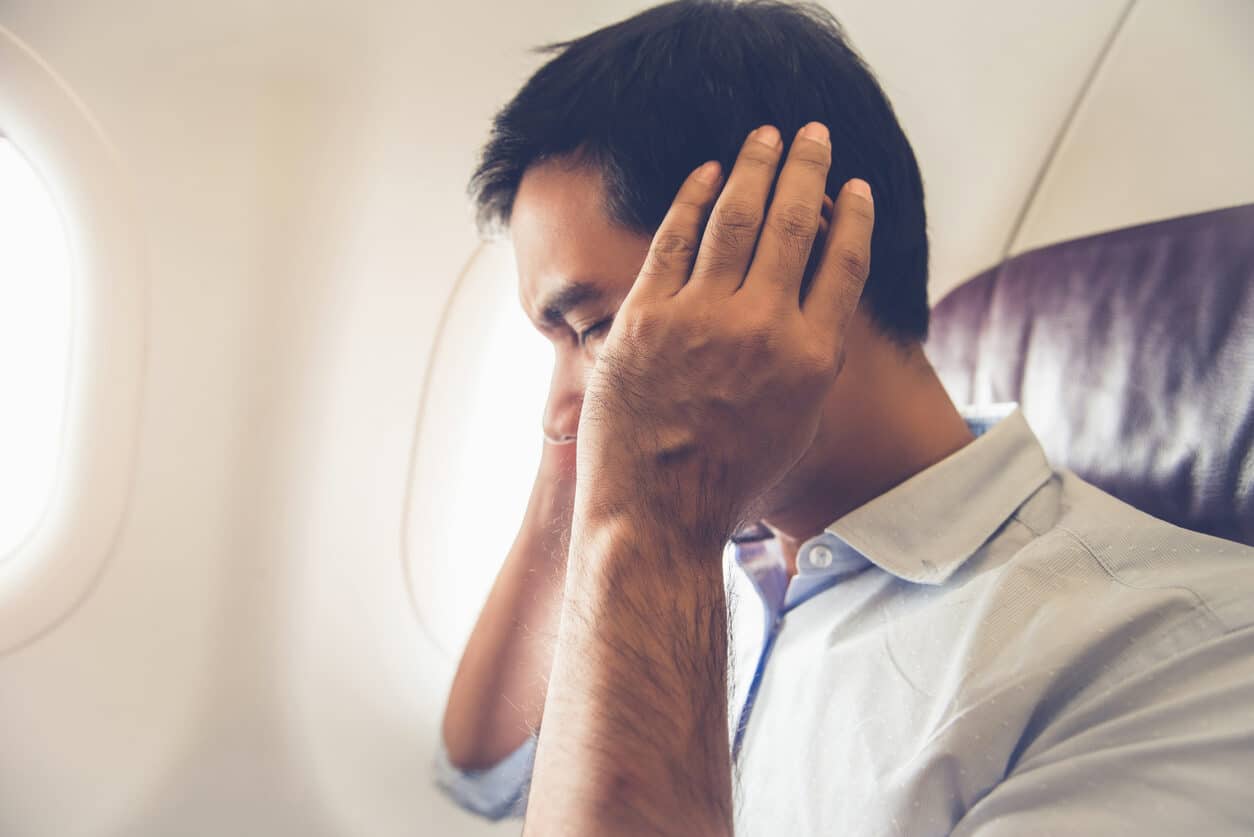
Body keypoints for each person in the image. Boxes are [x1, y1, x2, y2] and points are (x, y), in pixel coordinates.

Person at [435, 1, 1254, 834]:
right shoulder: (712, 558)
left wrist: (658, 513)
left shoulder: (1188, 654)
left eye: (596, 326)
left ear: (794, 256)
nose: (558, 407)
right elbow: (487, 777)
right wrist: (579, 459)